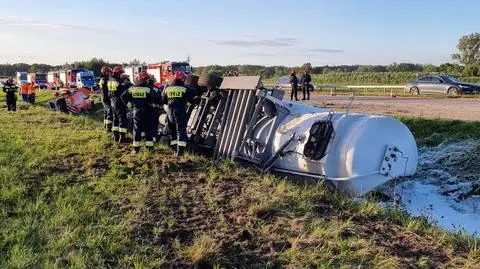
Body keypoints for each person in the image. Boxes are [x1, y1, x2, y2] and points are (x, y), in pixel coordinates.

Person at [121, 71, 160, 153]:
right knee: (148, 129)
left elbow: (123, 96)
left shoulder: (132, 88)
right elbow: (157, 98)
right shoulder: (148, 89)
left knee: (136, 129)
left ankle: (136, 149)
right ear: (146, 79)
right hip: (147, 111)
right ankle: (149, 148)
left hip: (136, 111)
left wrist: (130, 105)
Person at [162, 71, 196, 156]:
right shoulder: (185, 88)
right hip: (180, 111)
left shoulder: (168, 88)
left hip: (170, 112)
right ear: (182, 78)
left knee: (173, 131)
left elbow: (164, 101)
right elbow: (192, 97)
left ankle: (174, 150)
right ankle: (180, 152)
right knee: (181, 131)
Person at [108, 66, 130, 143]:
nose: (122, 74)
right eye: (121, 73)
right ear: (118, 73)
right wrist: (125, 84)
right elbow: (122, 93)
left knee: (115, 119)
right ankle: (122, 138)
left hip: (112, 101)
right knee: (122, 119)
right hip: (119, 101)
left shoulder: (110, 80)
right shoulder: (118, 82)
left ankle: (115, 136)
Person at [98, 66, 113, 132]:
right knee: (110, 111)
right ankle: (108, 128)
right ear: (105, 72)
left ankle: (105, 125)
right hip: (105, 97)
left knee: (106, 112)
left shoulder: (102, 79)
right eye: (109, 72)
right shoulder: (104, 79)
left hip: (104, 97)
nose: (110, 74)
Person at [148, 74, 162, 143]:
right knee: (154, 125)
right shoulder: (157, 89)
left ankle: (146, 139)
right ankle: (154, 139)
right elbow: (161, 100)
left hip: (145, 110)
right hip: (154, 110)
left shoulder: (144, 88)